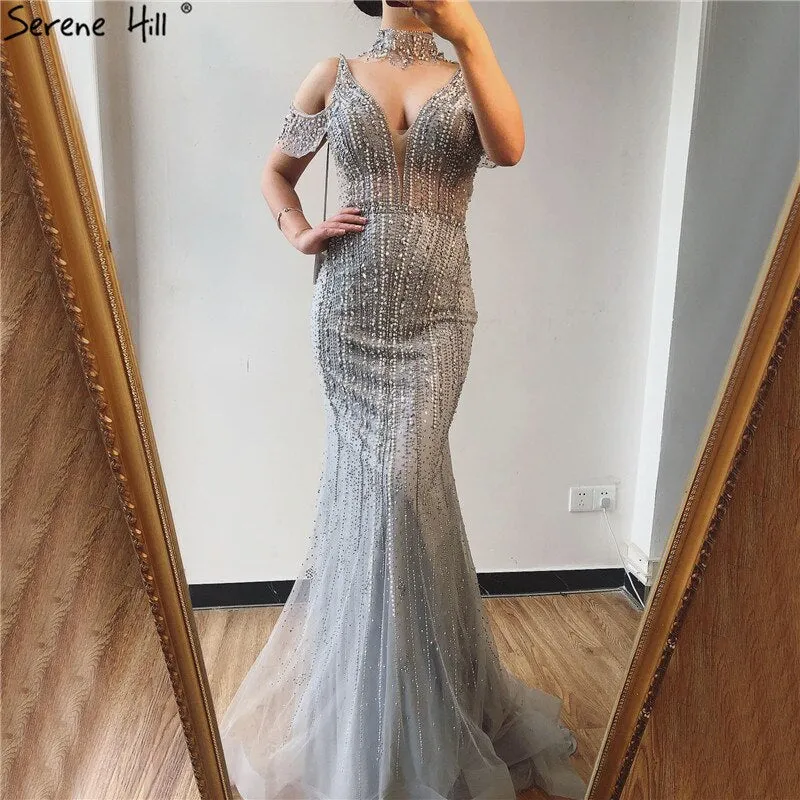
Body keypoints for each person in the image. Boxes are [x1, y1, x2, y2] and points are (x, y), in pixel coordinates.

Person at [219, 2, 587, 798]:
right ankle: (370, 713)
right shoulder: (333, 74)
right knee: (375, 497)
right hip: (347, 311)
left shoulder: (466, 70)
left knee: (404, 487)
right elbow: (275, 172)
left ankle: (431, 703)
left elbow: (509, 149)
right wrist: (298, 230)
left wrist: (470, 31)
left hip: (438, 317)